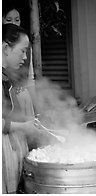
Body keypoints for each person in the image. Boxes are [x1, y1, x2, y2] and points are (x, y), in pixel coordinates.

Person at [2, 23, 46, 194]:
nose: (25, 57)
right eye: (22, 50)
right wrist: (22, 126)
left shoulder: (7, 77)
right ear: (6, 48)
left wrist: (29, 123)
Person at [2, 3, 41, 120]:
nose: (13, 23)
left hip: (22, 100)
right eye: (9, 19)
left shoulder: (25, 46)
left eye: (17, 20)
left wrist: (38, 112)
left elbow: (30, 80)